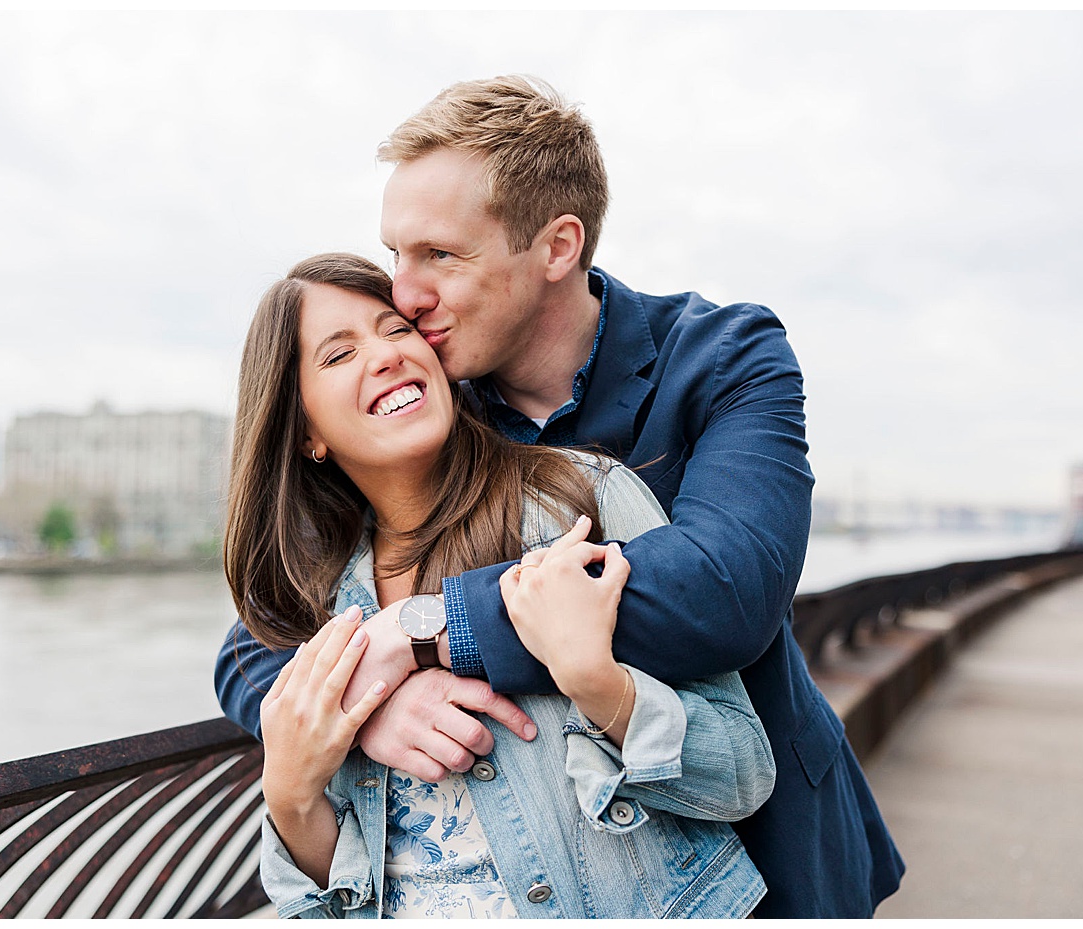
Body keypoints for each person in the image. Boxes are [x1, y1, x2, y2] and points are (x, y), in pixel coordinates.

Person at [214, 77, 904, 917]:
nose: (404, 293)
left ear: (556, 246)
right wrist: (366, 706)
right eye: (396, 253)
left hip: (765, 847)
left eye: (440, 255)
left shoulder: (724, 357)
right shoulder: (428, 411)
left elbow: (726, 589)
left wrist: (426, 631)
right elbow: (254, 645)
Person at [235, 254, 773, 917]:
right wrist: (290, 794)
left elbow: (743, 773)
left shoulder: (579, 498)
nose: (385, 355)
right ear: (306, 431)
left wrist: (598, 684)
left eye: (397, 329)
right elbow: (336, 904)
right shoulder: (321, 607)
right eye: (339, 354)